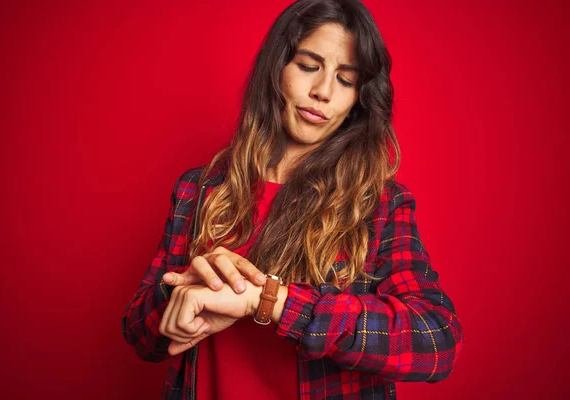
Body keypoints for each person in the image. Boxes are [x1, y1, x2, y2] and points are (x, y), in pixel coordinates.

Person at [122, 0, 464, 399]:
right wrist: (185, 289)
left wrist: (268, 300)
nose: (322, 92)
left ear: (360, 98)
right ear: (277, 69)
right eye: (307, 66)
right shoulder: (198, 191)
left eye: (346, 79)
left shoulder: (379, 205)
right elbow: (140, 337)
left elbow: (436, 341)